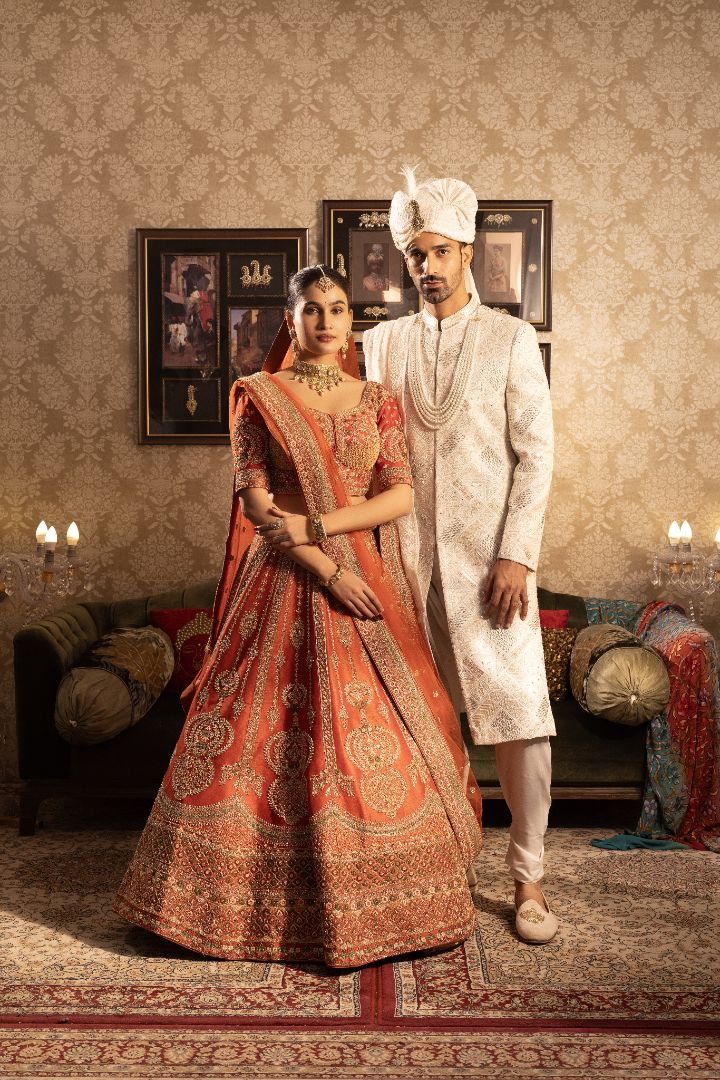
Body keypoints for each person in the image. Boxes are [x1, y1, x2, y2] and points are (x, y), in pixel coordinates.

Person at [114, 264, 483, 968]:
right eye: (311, 309)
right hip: (286, 577)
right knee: (262, 734)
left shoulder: (380, 400)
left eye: (338, 309)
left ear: (352, 322)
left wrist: (323, 525)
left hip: (362, 570)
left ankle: (393, 903)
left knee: (378, 734)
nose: (325, 321)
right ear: (291, 319)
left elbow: (400, 495)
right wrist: (329, 565)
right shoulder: (260, 397)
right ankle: (229, 908)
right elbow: (255, 502)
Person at [363, 170, 557, 944]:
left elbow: (536, 456)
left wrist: (516, 554)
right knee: (414, 719)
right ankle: (430, 872)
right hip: (405, 567)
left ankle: (529, 879)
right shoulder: (383, 343)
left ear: (468, 249)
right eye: (415, 254)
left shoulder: (510, 339)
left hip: (489, 569)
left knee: (520, 719)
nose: (428, 267)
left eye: (440, 250)